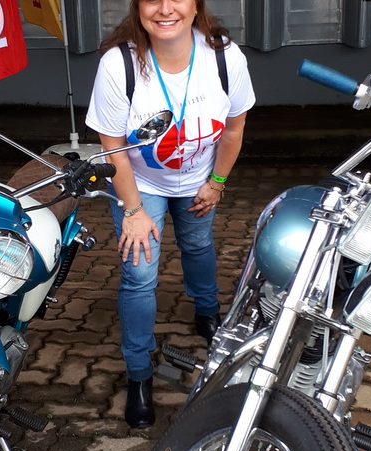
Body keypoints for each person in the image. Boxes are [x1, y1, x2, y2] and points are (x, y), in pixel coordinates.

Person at [85, 0, 255, 428]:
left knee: (197, 243)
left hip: (199, 178)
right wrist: (133, 210)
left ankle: (207, 312)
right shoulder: (118, 65)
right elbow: (112, 147)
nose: (165, 9)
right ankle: (139, 374)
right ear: (137, 7)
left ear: (196, 6)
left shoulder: (224, 57)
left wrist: (217, 182)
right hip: (140, 184)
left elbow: (234, 128)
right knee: (139, 274)